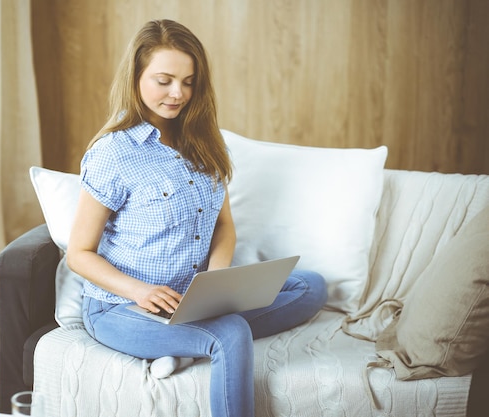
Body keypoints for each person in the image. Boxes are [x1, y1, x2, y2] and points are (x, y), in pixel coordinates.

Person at [66, 19, 328, 417]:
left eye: (188, 82)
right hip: (122, 307)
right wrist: (140, 291)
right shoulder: (113, 154)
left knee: (311, 287)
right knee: (231, 333)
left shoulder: (205, 141)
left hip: (195, 298)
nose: (178, 93)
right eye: (164, 80)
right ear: (136, 77)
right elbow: (79, 254)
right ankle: (198, 340)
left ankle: (186, 344)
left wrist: (216, 285)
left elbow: (223, 226)